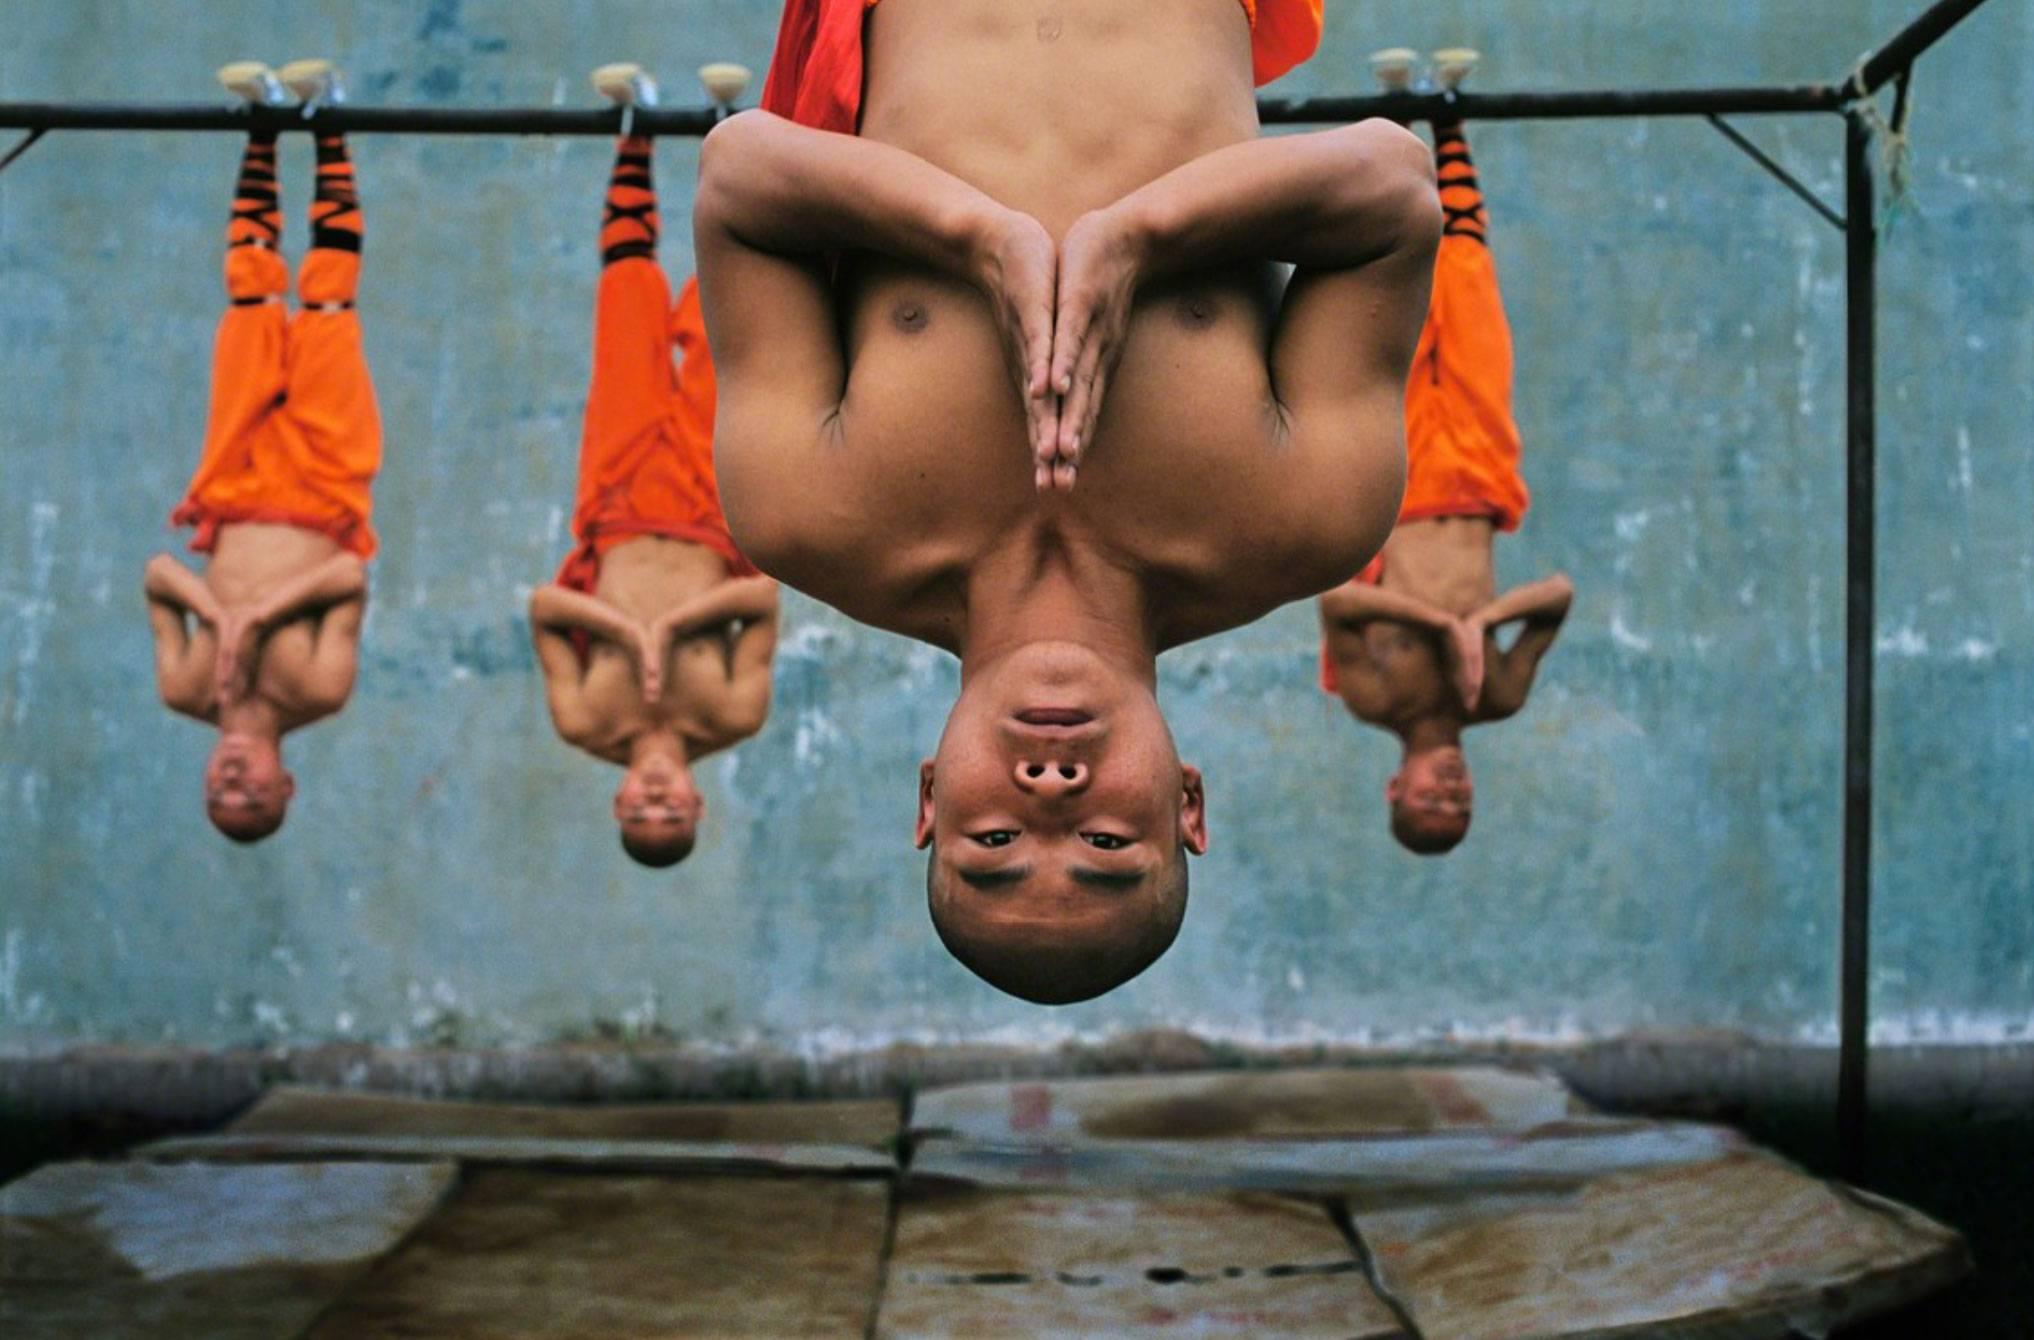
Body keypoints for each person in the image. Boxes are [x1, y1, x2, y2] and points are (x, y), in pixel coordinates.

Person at [694, 0, 1438, 1001]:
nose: (1049, 793)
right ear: (1187, 805)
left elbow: (739, 173)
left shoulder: (807, 515)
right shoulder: (1307, 518)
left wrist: (975, 238)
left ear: (928, 796)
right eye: (1106, 840)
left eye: (994, 839)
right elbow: (1394, 188)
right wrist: (1141, 238)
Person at [528, 66, 780, 870]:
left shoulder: (583, 720)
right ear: (697, 803)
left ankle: (632, 132)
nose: (658, 799)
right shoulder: (735, 714)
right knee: (719, 324)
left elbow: (542, 607)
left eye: (643, 812)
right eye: (672, 813)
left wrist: (624, 633)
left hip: (619, 498)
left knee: (628, 317)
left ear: (620, 801)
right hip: (713, 504)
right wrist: (669, 631)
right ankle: (725, 128)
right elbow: (764, 599)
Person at [1317, 87, 1573, 856]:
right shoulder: (1496, 695)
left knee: (1397, 310)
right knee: (1470, 303)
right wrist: (1482, 625)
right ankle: (1450, 127)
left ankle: (1391, 127)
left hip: (1397, 483)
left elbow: (1338, 604)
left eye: (1433, 801)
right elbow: (1558, 597)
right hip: (1482, 477)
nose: (1451, 790)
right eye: (1461, 805)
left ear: (1396, 787)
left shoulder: (1373, 699)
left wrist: (1436, 624)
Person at [145, 61, 379, 843]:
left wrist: (217, 614)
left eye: (220, 797)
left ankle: (262, 128)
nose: (234, 784)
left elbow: (159, 575)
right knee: (324, 305)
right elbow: (347, 577)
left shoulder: (184, 688)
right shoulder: (318, 691)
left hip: (234, 483)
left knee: (249, 301)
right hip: (324, 485)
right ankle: (330, 121)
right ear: (287, 783)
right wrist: (256, 623)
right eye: (254, 798)